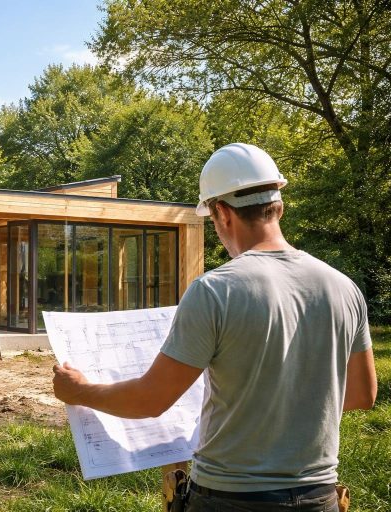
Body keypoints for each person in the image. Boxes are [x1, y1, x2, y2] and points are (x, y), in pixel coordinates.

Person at [53, 143, 377, 511]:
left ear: (222, 213)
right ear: (279, 206)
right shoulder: (343, 287)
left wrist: (80, 391)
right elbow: (361, 395)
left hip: (230, 499)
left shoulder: (216, 290)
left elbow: (150, 400)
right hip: (319, 498)